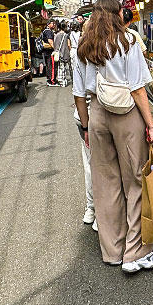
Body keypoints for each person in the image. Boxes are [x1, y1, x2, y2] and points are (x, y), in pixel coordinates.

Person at [74, 0, 153, 273]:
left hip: (98, 113)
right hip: (126, 114)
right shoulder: (127, 43)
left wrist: (87, 127)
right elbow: (138, 89)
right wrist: (151, 125)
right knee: (135, 181)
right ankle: (135, 253)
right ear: (117, 15)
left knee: (106, 184)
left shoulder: (85, 46)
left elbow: (79, 94)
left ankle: (113, 251)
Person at [68, 21, 95, 229]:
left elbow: (78, 94)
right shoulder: (108, 48)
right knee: (108, 166)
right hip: (103, 113)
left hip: (83, 115)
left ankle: (91, 208)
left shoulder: (80, 52)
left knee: (89, 164)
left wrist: (85, 127)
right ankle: (103, 212)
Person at [40, 19, 57, 84]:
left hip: (46, 52)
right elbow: (50, 41)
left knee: (48, 65)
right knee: (51, 66)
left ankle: (50, 79)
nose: (54, 25)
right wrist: (55, 49)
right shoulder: (48, 31)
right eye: (53, 23)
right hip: (49, 51)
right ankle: (52, 80)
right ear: (48, 24)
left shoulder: (45, 31)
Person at [53, 22, 70, 87]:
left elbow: (55, 44)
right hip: (65, 53)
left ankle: (61, 80)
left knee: (60, 67)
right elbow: (68, 45)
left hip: (58, 53)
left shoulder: (56, 35)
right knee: (64, 67)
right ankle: (63, 80)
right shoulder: (66, 35)